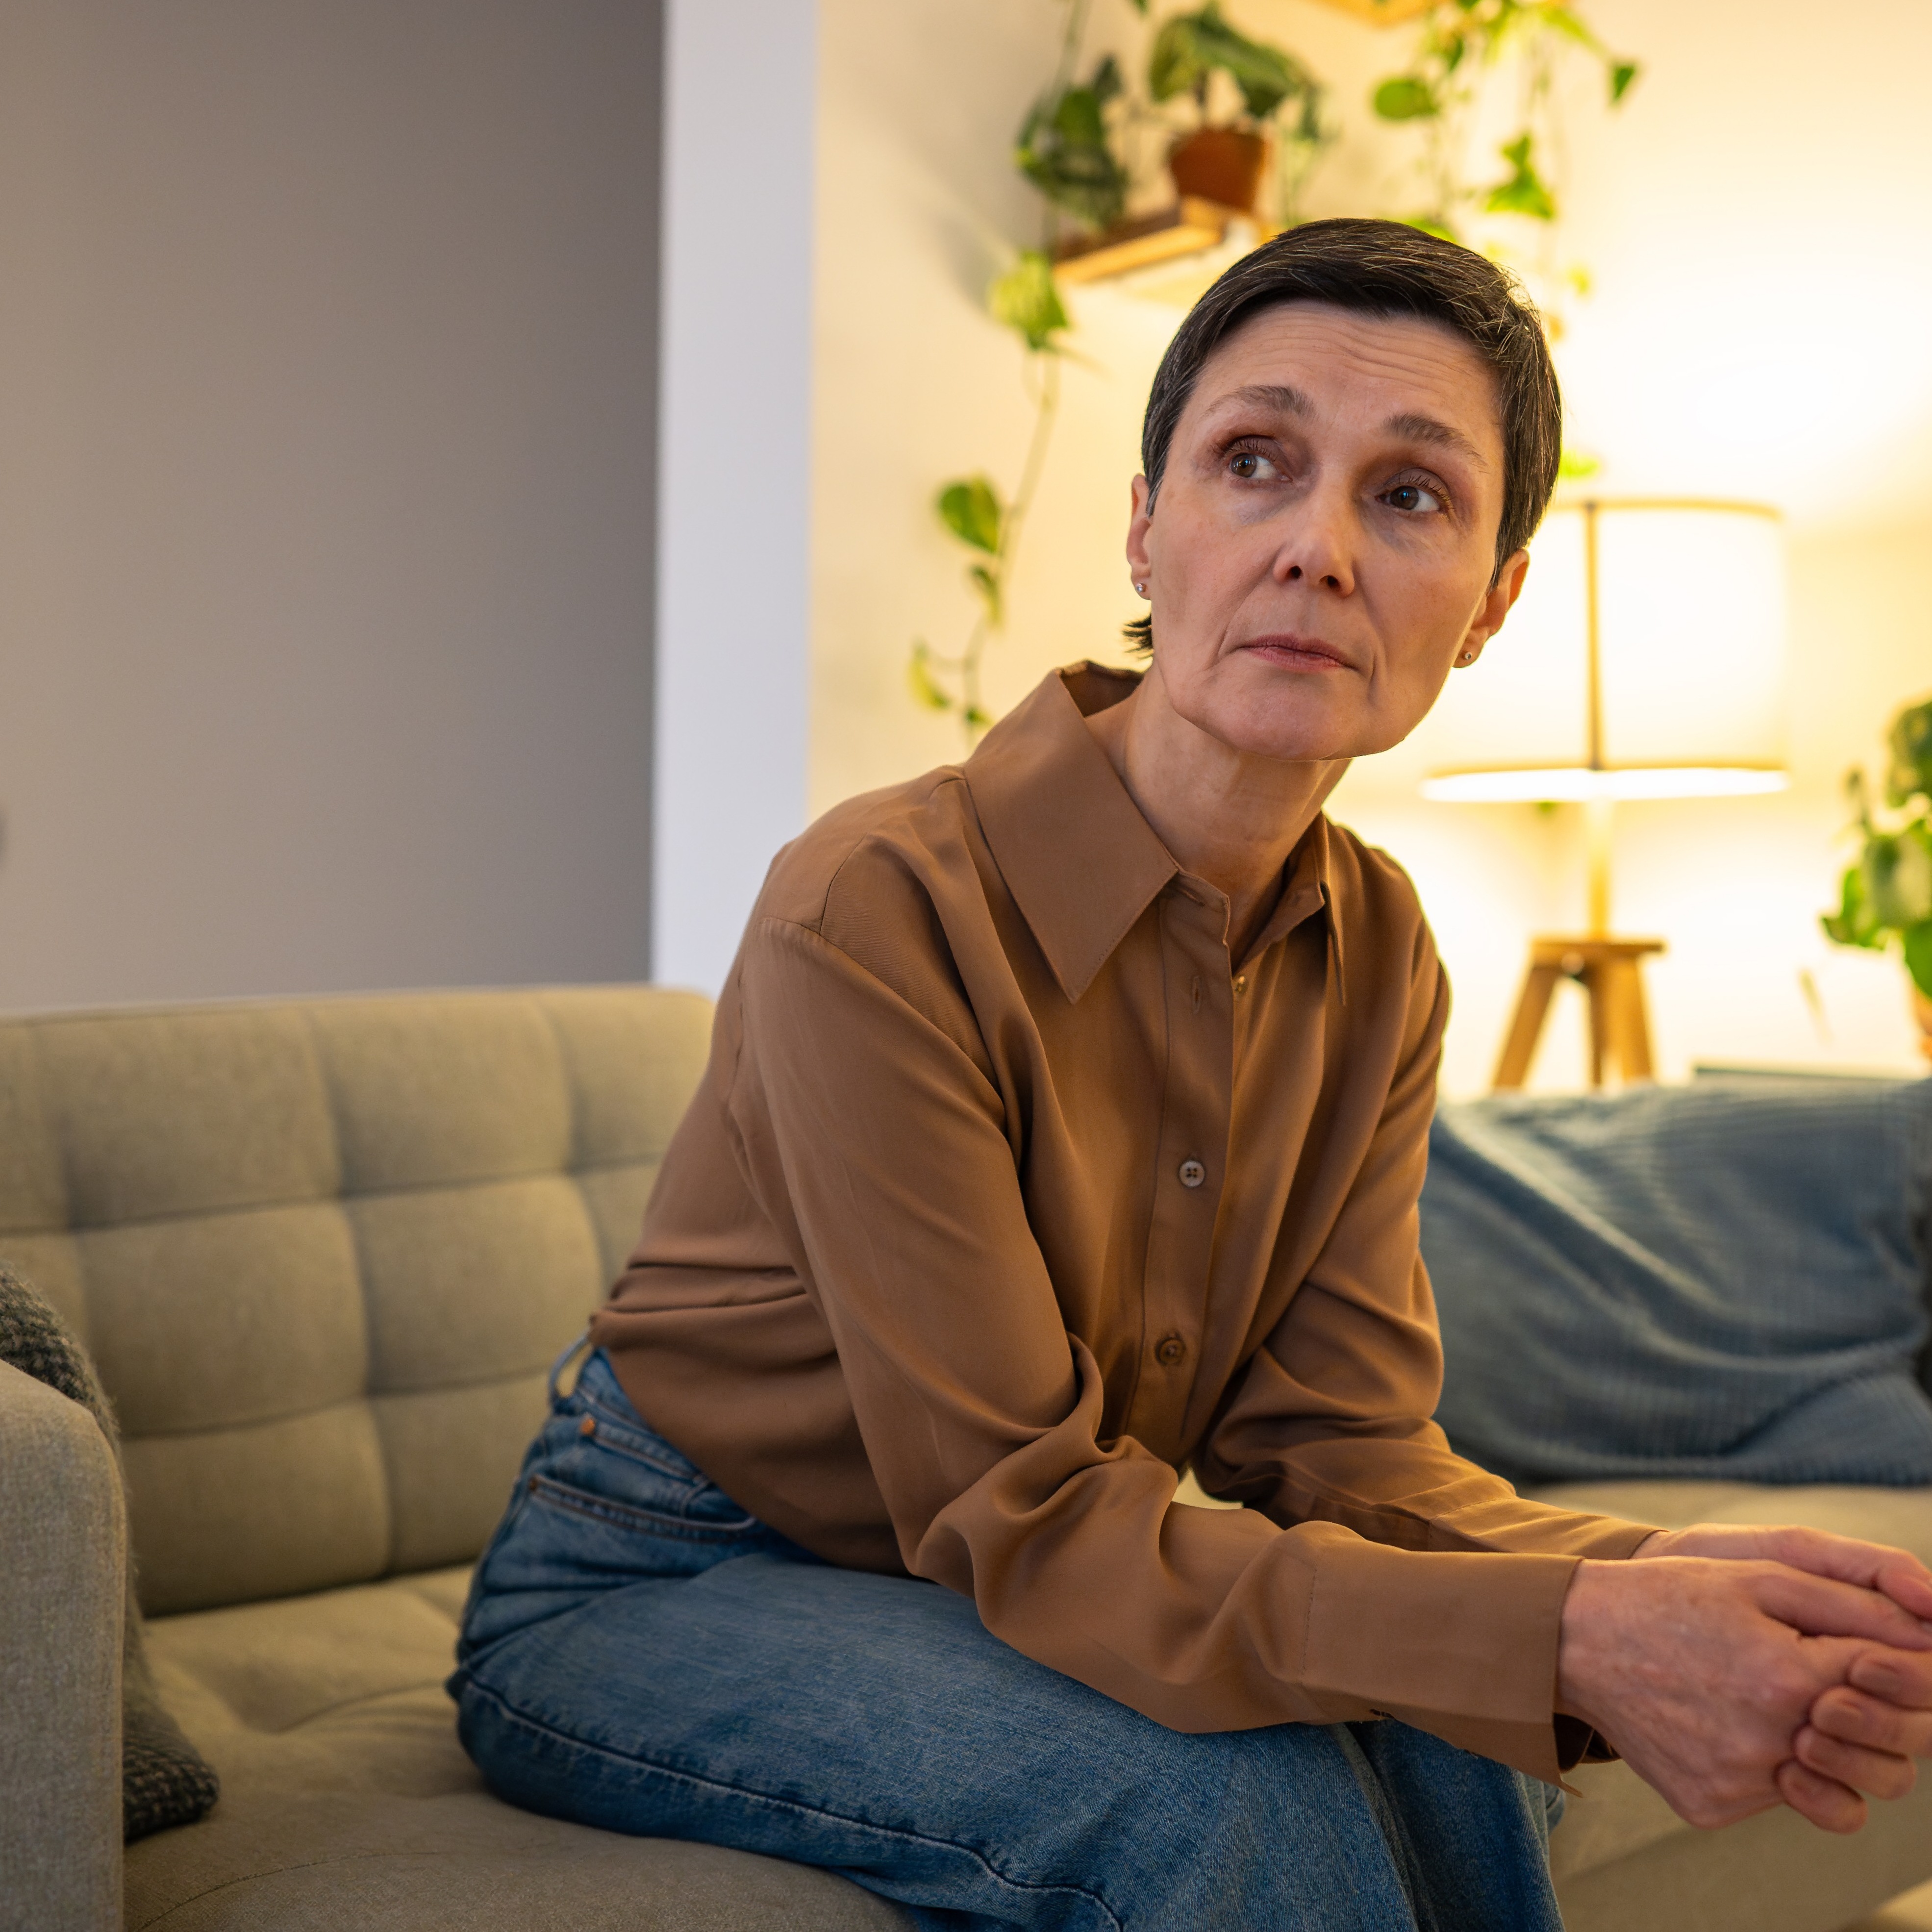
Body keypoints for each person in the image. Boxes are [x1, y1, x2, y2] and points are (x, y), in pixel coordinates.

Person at [450, 220, 1932, 1930]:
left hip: (987, 1574)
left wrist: (1674, 1584)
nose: (1317, 549)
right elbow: (1031, 1515)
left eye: (1411, 497)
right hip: (666, 1572)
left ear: (1496, 603)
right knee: (1232, 1796)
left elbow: (1351, 1455)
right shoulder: (873, 909)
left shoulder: (1379, 947)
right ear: (1146, 528)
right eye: (1255, 464)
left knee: (1462, 1734)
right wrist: (1578, 1632)